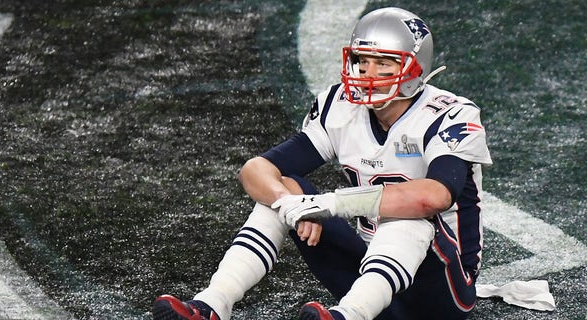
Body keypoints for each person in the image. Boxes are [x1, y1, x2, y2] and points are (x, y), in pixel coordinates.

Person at [153, 6, 492, 320]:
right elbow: (255, 169)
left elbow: (431, 198)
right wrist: (290, 204)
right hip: (369, 276)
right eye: (362, 61)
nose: (368, 73)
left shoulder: (451, 114)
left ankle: (350, 315)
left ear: (415, 68)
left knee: (410, 220)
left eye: (384, 63)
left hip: (440, 291)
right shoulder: (341, 106)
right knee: (283, 188)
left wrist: (329, 204)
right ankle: (212, 304)